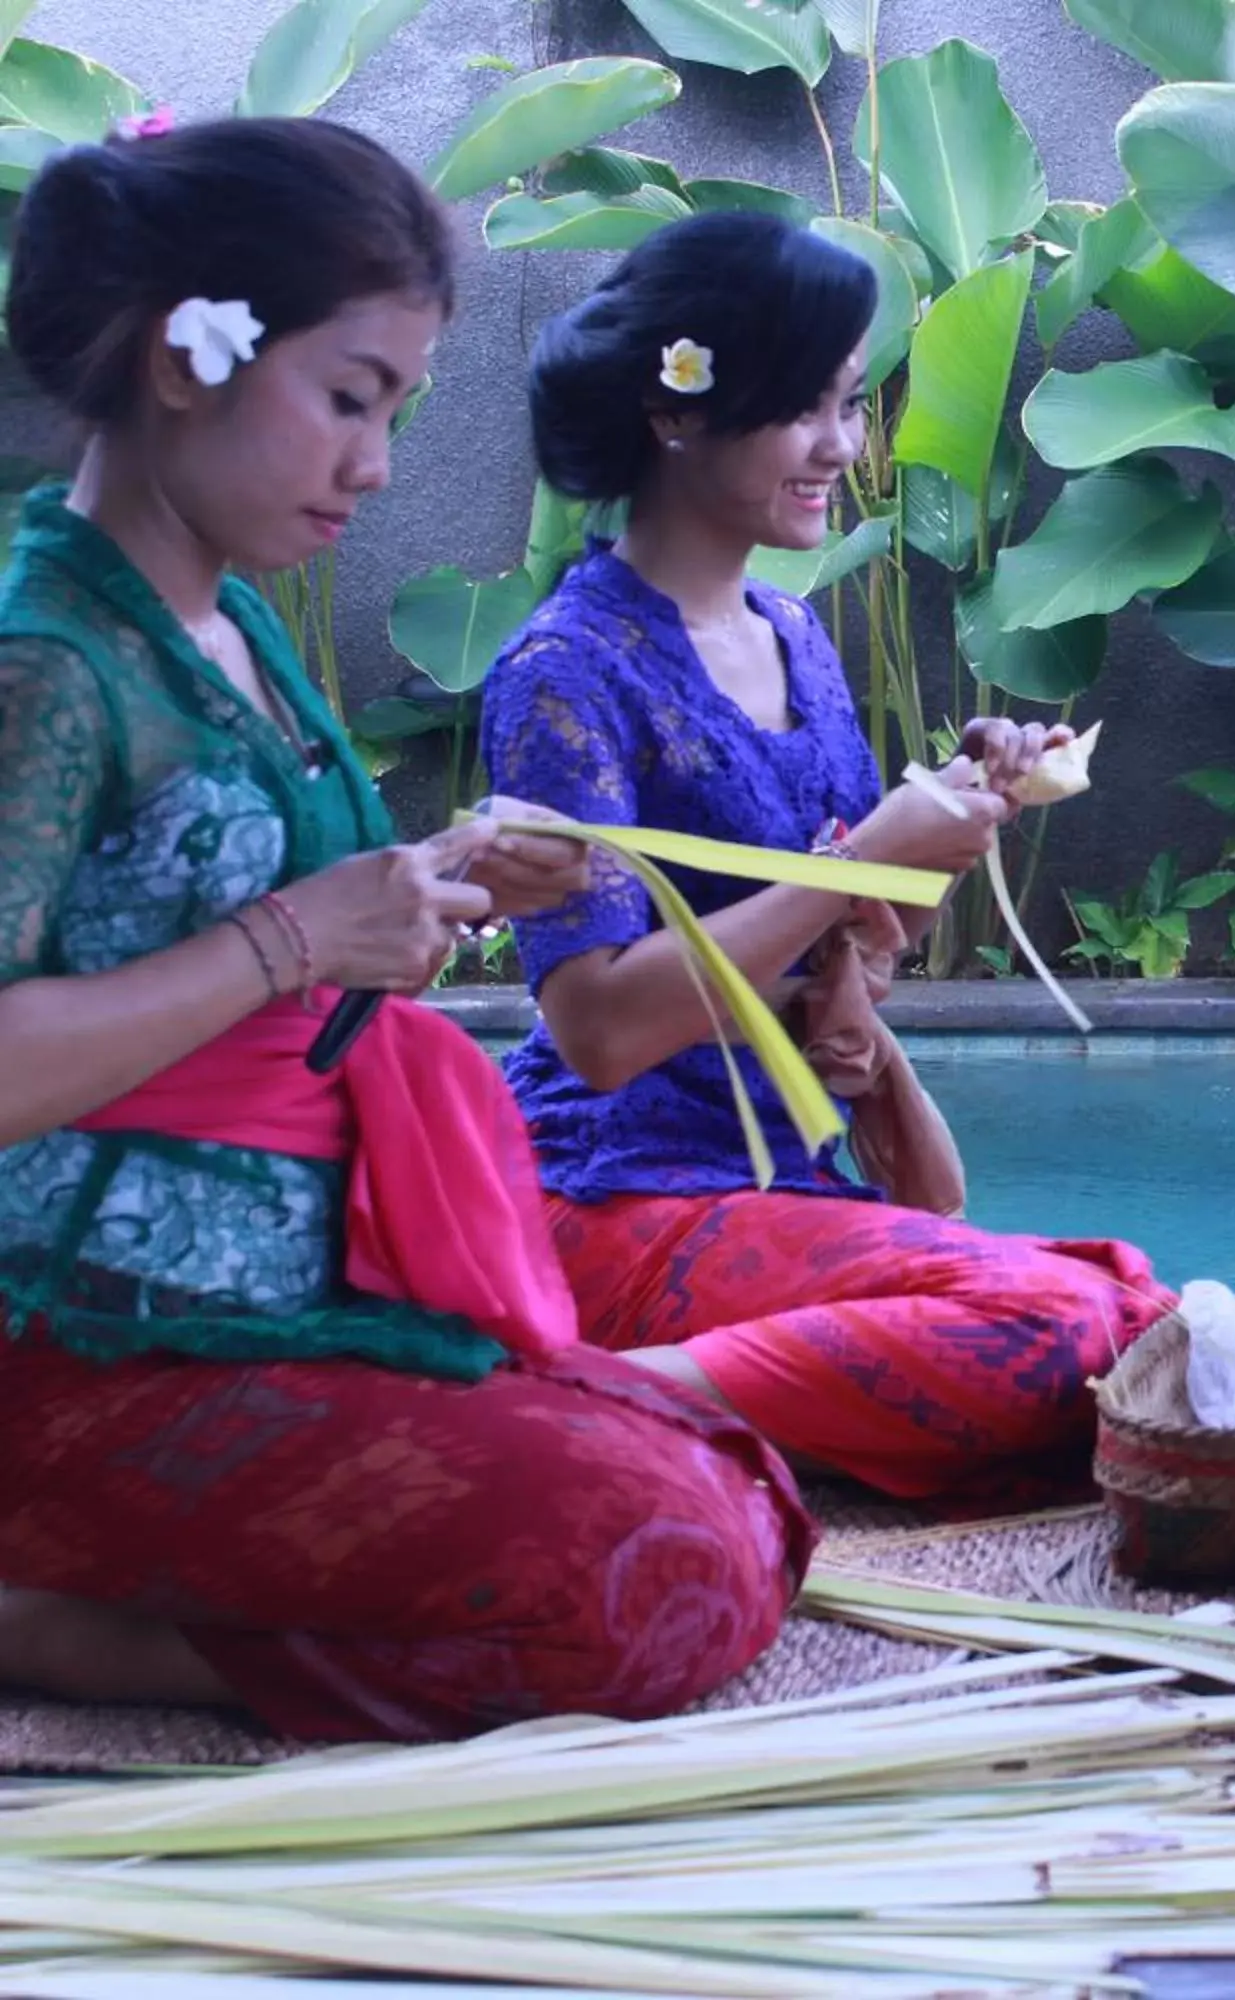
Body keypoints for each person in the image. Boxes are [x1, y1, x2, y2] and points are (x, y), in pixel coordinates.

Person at [0, 118, 809, 1740]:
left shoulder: (219, 624)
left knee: (738, 1489)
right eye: (350, 397)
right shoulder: (46, 661)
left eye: (396, 410)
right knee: (655, 1579)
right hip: (83, 1342)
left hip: (273, 1299)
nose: (374, 464)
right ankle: (58, 1635)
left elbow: (261, 945)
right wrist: (296, 941)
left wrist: (433, 879)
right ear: (183, 361)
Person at [481, 212, 1174, 1509]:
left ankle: (676, 1400)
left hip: (780, 1177)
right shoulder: (563, 674)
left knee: (1129, 1310)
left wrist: (961, 815)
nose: (841, 449)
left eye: (848, 405)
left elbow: (845, 940)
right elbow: (600, 1029)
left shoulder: (793, 637)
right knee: (1061, 1336)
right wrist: (865, 865)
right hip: (616, 1184)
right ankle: (588, 1402)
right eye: (804, 410)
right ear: (680, 409)